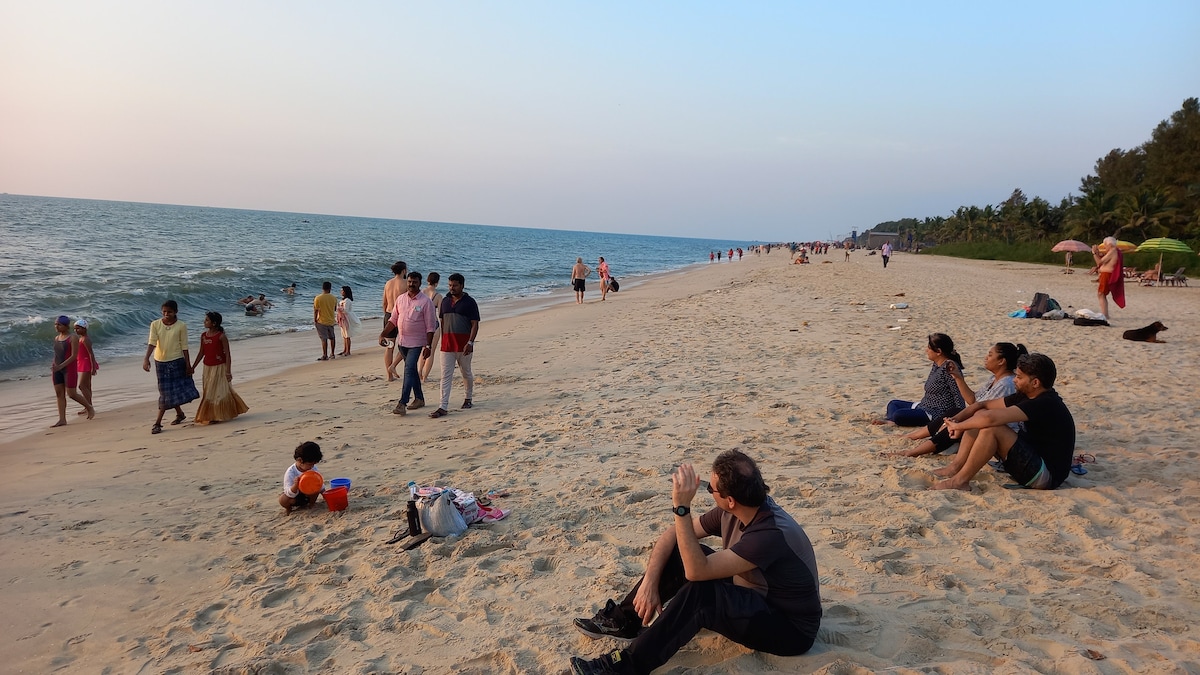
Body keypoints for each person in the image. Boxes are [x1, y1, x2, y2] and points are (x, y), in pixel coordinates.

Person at [569, 450, 821, 675]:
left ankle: (622, 668)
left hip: (789, 629)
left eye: (711, 490)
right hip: (753, 595)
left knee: (702, 593)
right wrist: (649, 582)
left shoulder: (770, 534)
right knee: (685, 550)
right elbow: (672, 536)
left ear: (730, 499)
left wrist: (681, 507)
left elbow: (696, 571)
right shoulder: (736, 509)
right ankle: (623, 621)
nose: (709, 493)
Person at [931, 353, 1075, 491]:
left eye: (1019, 377)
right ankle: (956, 467)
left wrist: (959, 427)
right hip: (1030, 461)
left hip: (1045, 476)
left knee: (992, 428)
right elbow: (982, 405)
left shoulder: (1044, 403)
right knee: (980, 416)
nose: (1014, 380)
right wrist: (956, 419)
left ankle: (959, 481)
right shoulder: (1027, 395)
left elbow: (990, 419)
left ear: (1035, 382)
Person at [896, 343, 1026, 457]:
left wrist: (956, 422)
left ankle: (914, 452)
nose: (986, 358)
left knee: (957, 419)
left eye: (990, 355)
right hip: (984, 421)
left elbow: (981, 410)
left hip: (996, 430)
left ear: (1001, 361)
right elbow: (973, 400)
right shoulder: (994, 379)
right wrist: (957, 377)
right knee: (954, 413)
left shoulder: (1006, 384)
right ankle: (917, 436)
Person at [874, 333, 971, 427]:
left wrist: (959, 417)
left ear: (938, 351)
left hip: (935, 412)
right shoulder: (937, 364)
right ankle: (891, 420)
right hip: (923, 405)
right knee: (893, 404)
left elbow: (958, 394)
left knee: (899, 414)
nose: (926, 350)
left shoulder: (949, 368)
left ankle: (892, 420)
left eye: (929, 348)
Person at [381, 272, 436, 415]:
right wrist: (383, 334)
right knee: (411, 371)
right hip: (402, 342)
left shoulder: (425, 302)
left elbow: (431, 327)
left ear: (420, 283)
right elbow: (393, 320)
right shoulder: (400, 299)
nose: (411, 284)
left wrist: (428, 346)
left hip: (417, 343)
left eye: (415, 282)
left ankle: (402, 402)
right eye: (410, 282)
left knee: (408, 369)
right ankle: (419, 399)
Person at [142, 300, 199, 434]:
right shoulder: (155, 324)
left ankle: (157, 423)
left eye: (170, 312)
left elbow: (184, 346)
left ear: (175, 312)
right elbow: (152, 343)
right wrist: (146, 359)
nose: (166, 314)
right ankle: (180, 414)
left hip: (177, 361)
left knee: (169, 392)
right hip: (160, 362)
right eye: (164, 312)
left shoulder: (181, 326)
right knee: (165, 391)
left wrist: (188, 365)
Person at [429, 273, 479, 419]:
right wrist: (443, 339)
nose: (452, 288)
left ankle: (468, 398)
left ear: (462, 286)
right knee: (445, 376)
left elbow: (475, 324)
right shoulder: (444, 302)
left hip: (464, 345)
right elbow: (443, 321)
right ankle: (443, 406)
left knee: (466, 373)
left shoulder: (470, 302)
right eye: (450, 285)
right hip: (447, 346)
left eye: (455, 285)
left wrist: (470, 342)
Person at [191, 311, 249, 425]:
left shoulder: (221, 337)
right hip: (207, 367)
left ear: (214, 323)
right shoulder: (203, 336)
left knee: (216, 391)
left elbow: (227, 354)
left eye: (207, 320)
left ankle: (215, 415)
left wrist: (228, 371)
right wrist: (193, 367)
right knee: (208, 391)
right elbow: (201, 352)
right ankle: (215, 413)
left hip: (219, 367)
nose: (204, 321)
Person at [51, 316, 93, 427]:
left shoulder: (73, 337)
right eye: (55, 324)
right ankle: (62, 419)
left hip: (69, 369)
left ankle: (89, 407)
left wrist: (61, 366)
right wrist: (55, 366)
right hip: (57, 369)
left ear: (65, 326)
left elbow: (74, 356)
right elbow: (56, 355)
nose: (56, 326)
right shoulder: (56, 338)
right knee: (59, 394)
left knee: (72, 394)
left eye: (59, 324)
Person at [279, 441, 324, 513]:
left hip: (309, 495)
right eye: (310, 464)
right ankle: (289, 509)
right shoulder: (291, 472)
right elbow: (287, 492)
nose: (312, 466)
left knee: (316, 490)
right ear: (300, 460)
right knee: (283, 499)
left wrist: (325, 493)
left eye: (313, 464)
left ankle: (311, 505)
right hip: (295, 498)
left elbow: (319, 483)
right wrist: (295, 485)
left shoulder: (312, 468)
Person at [382, 261, 408, 380]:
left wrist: (387, 316)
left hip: (388, 315)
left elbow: (384, 302)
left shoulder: (388, 283)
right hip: (401, 316)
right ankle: (394, 365)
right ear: (404, 270)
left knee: (389, 346)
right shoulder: (406, 283)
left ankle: (389, 376)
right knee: (406, 344)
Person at [1091, 236, 1125, 320]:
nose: (1105, 248)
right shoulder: (1115, 251)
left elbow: (1099, 262)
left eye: (1105, 245)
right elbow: (1104, 261)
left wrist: (1094, 253)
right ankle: (1105, 314)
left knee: (1101, 294)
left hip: (1107, 274)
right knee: (1102, 294)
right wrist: (1098, 254)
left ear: (1109, 244)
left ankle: (1105, 314)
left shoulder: (1113, 251)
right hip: (1107, 274)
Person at [418, 272, 443, 382]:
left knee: (423, 349)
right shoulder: (438, 296)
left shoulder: (421, 293)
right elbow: (441, 314)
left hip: (422, 324)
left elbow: (417, 309)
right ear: (437, 282)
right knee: (431, 352)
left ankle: (419, 372)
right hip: (434, 324)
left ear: (427, 280)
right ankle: (425, 377)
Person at [73, 319, 99, 417]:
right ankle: (88, 406)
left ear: (84, 328)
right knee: (87, 386)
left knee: (82, 386)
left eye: (78, 328)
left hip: (86, 363)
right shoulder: (81, 338)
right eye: (75, 329)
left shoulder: (85, 339)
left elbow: (90, 354)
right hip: (83, 362)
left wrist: (93, 367)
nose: (76, 331)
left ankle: (89, 406)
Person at [313, 281, 338, 360]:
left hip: (321, 320)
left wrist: (315, 320)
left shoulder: (318, 298)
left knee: (324, 339)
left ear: (322, 288)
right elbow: (334, 309)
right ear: (330, 289)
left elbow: (316, 310)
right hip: (331, 320)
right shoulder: (333, 298)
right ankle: (332, 354)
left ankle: (325, 355)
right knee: (332, 337)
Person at [336, 285, 360, 356]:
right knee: (344, 334)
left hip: (347, 318)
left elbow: (346, 310)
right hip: (342, 318)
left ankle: (348, 351)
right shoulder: (343, 300)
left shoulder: (347, 301)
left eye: (342, 291)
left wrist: (339, 308)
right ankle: (345, 349)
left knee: (347, 334)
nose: (341, 292)